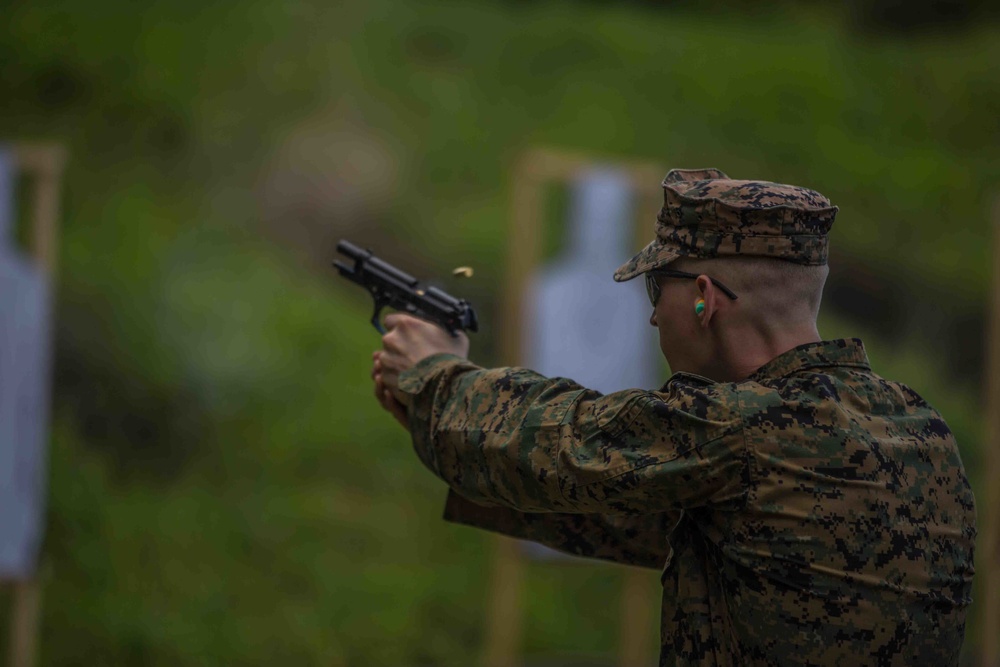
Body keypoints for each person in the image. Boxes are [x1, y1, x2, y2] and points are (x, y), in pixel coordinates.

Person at [370, 168, 977, 665]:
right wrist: (449, 429)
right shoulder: (920, 429)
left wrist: (437, 376)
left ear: (703, 297)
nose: (655, 318)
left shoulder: (743, 427)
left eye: (657, 290)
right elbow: (649, 512)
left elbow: (566, 442)